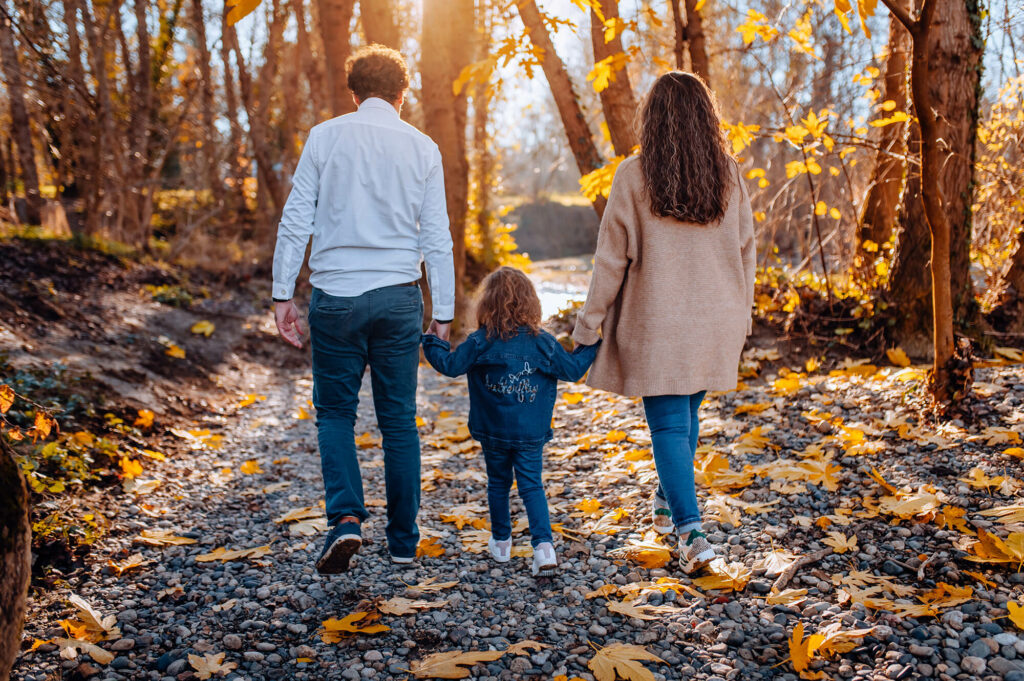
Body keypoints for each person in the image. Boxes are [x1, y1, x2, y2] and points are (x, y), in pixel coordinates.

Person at [271, 44, 455, 574]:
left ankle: (347, 521)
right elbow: (437, 237)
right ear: (403, 95)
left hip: (337, 297)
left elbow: (296, 218)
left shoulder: (326, 137)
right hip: (400, 297)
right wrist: (441, 310)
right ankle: (402, 541)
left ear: (353, 94)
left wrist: (283, 293)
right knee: (399, 421)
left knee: (335, 413)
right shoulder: (423, 147)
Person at [572, 72, 755, 575]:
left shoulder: (633, 176)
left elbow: (610, 261)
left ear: (652, 120)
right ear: (706, 117)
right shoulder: (729, 175)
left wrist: (587, 326)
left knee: (672, 424)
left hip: (661, 322)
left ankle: (691, 533)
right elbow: (746, 252)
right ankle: (665, 502)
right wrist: (744, 315)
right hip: (717, 318)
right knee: (685, 418)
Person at [421, 267, 598, 576]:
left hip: (493, 430)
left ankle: (501, 542)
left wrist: (432, 341)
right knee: (532, 485)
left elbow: (449, 365)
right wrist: (593, 345)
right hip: (530, 431)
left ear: (486, 304)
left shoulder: (480, 342)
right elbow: (572, 371)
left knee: (498, 483)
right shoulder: (542, 342)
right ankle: (543, 548)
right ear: (531, 303)